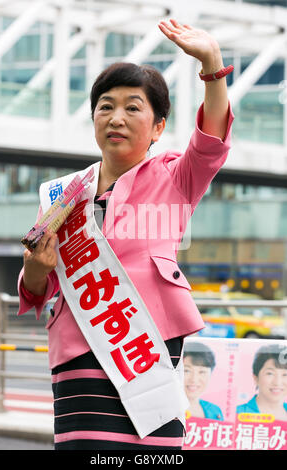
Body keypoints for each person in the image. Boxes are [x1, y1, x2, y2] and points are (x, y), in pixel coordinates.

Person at [17, 19, 234, 450]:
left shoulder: (176, 178)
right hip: (79, 350)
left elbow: (211, 139)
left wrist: (211, 64)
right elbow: (39, 289)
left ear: (157, 127)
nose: (116, 117)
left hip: (144, 350)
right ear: (94, 118)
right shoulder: (61, 196)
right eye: (106, 106)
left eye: (133, 107)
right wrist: (33, 271)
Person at [236, 343, 287, 421]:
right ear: (256, 378)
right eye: (270, 373)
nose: (277, 382)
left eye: (285, 374)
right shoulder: (237, 413)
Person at [183, 341, 224, 420]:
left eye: (202, 372)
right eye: (187, 371)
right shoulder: (166, 410)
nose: (194, 379)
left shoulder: (215, 411)